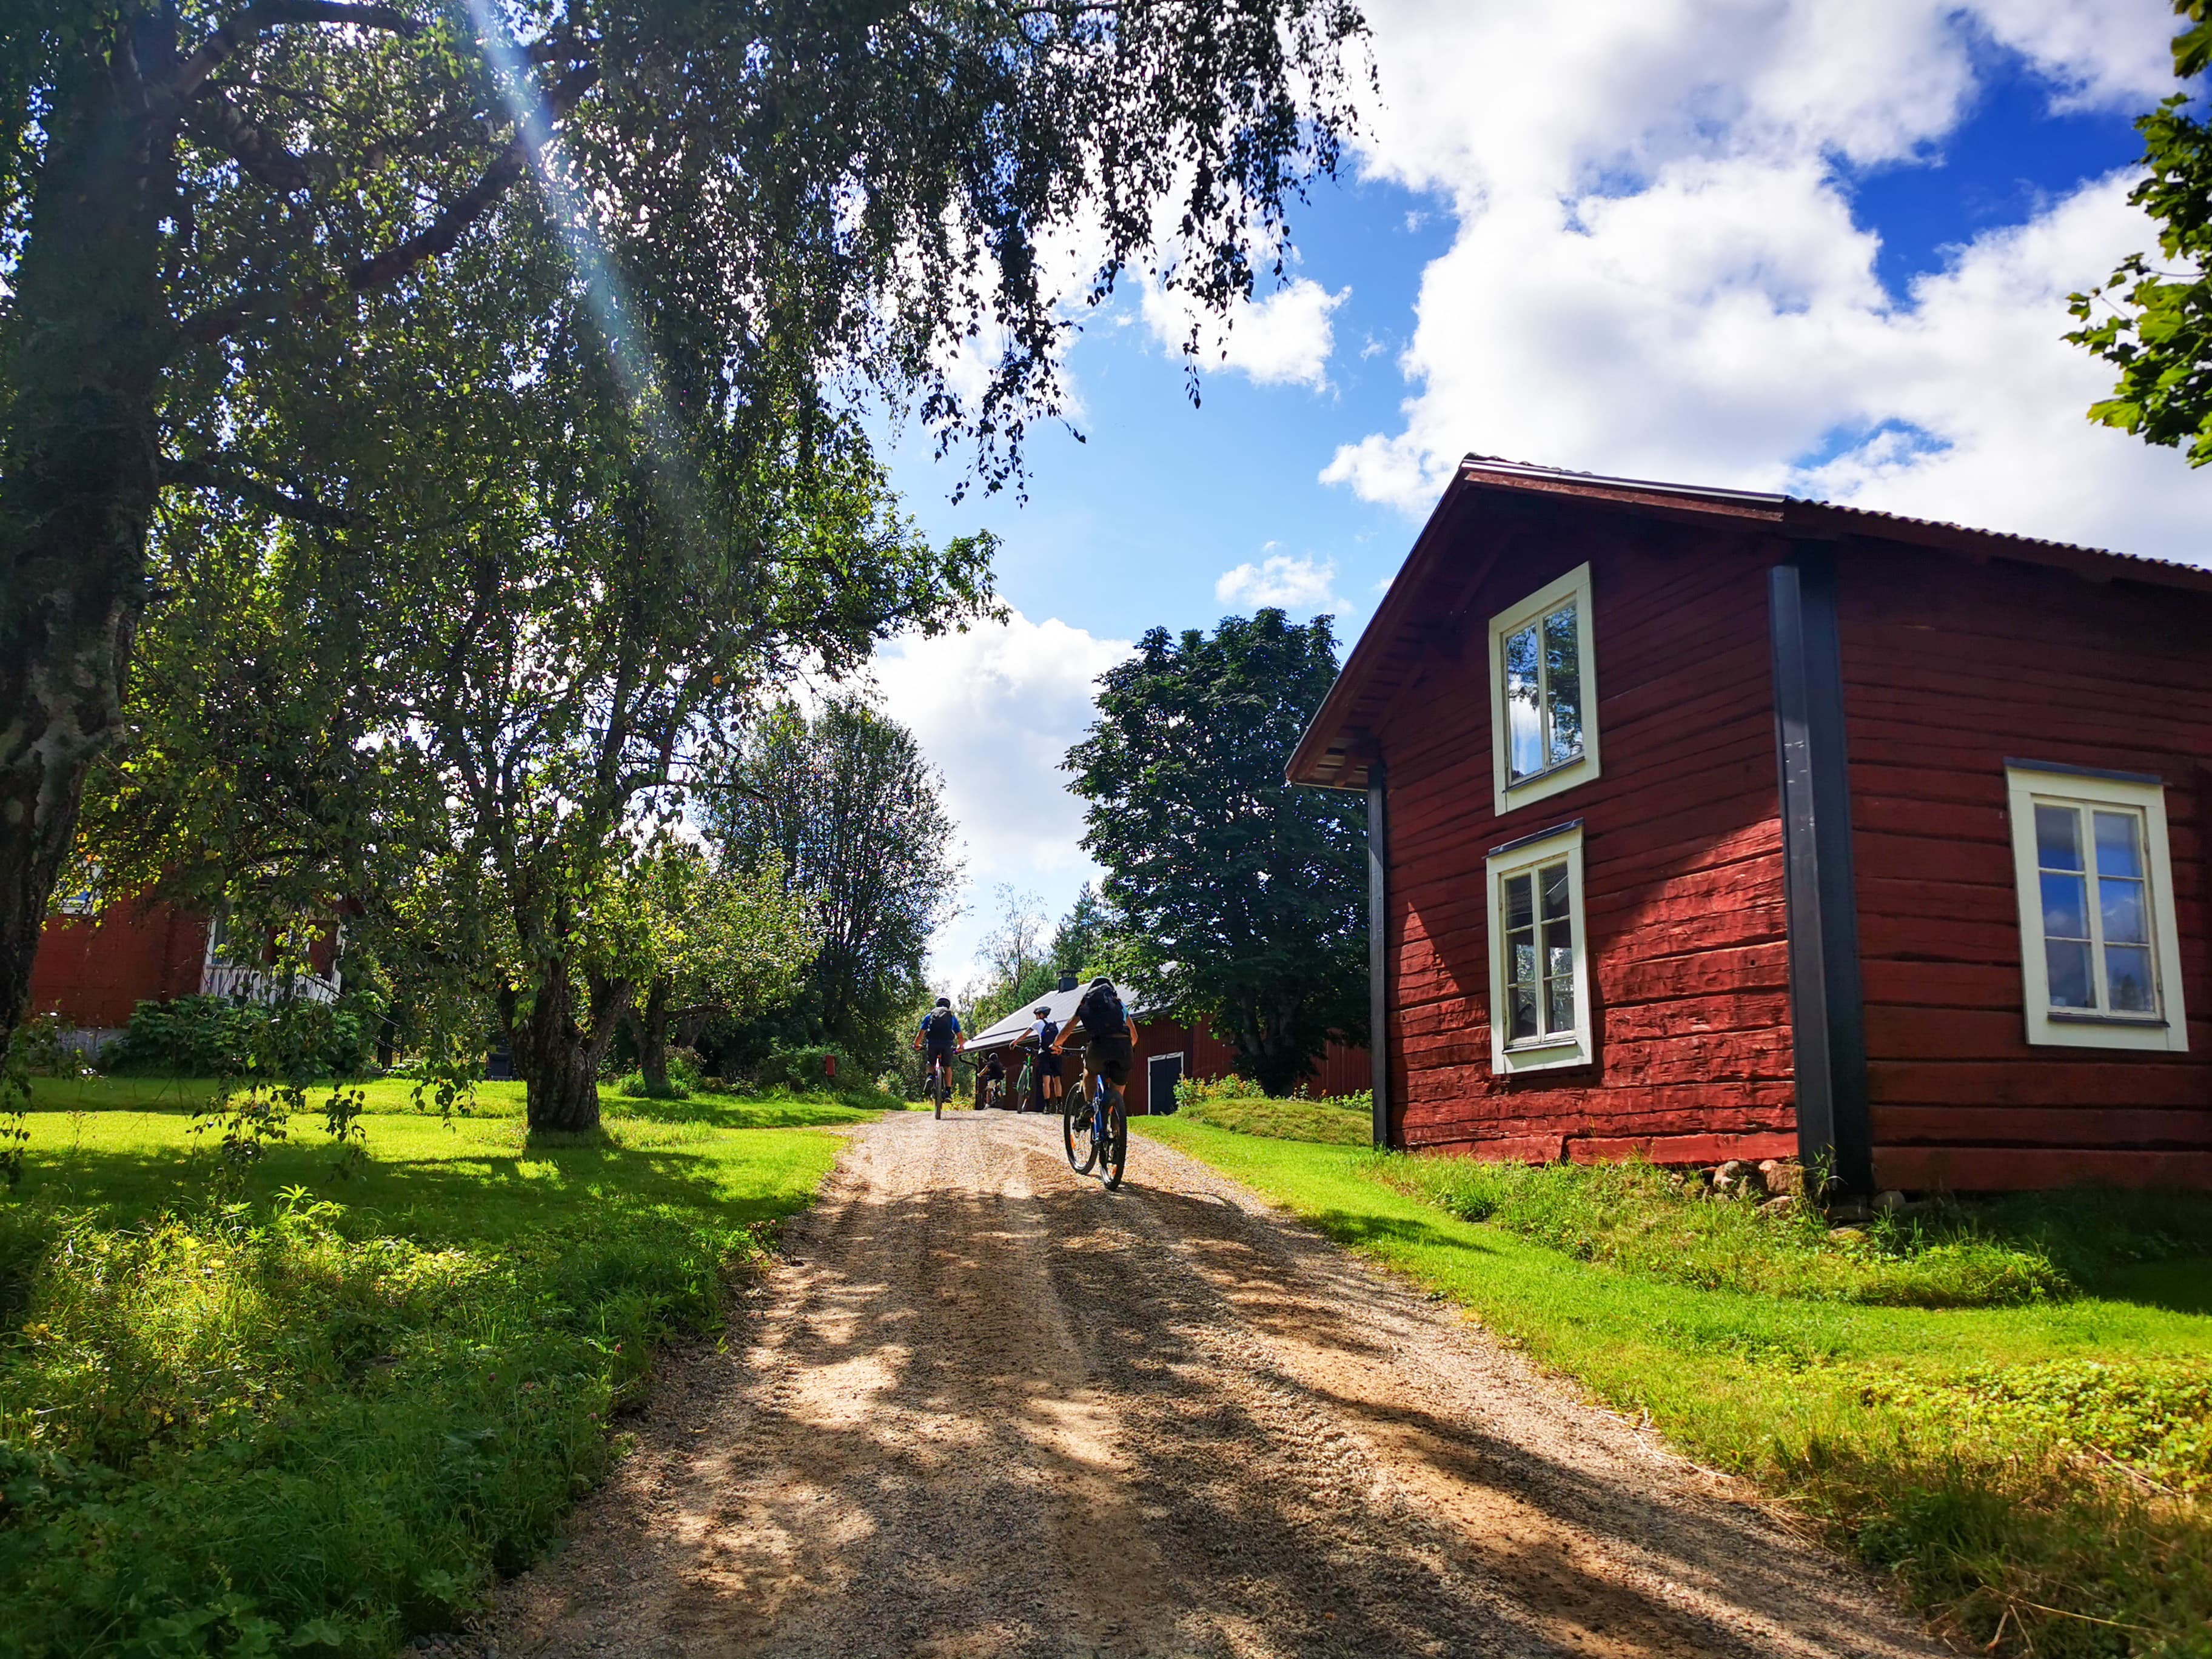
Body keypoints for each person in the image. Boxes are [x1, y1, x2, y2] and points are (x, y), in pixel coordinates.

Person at [1053, 976, 1137, 1124]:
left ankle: (1089, 1105)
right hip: (1123, 1048)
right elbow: (1134, 1038)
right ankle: (1117, 1129)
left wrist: (1056, 1044)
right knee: (1118, 1097)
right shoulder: (1119, 1004)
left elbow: (1068, 1029)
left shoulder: (1087, 1003)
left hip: (1099, 1047)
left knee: (1090, 1070)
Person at [914, 997, 961, 1101]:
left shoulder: (930, 1015)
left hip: (932, 1043)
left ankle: (930, 1077)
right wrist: (960, 1047)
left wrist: (916, 1045)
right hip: (947, 1044)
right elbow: (960, 1036)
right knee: (947, 1067)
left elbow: (921, 1034)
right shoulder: (951, 1017)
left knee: (930, 1063)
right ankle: (948, 1093)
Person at [1028, 1005, 1063, 1110]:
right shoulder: (1057, 1025)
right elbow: (1063, 1037)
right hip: (1055, 1053)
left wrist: (1015, 1042)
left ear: (1041, 1015)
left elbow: (1025, 1034)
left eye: (1037, 1015)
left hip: (1044, 1053)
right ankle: (1059, 1105)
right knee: (1057, 1080)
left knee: (1046, 1081)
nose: (1036, 1017)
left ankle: (1047, 1106)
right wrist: (1059, 1049)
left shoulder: (1038, 1023)